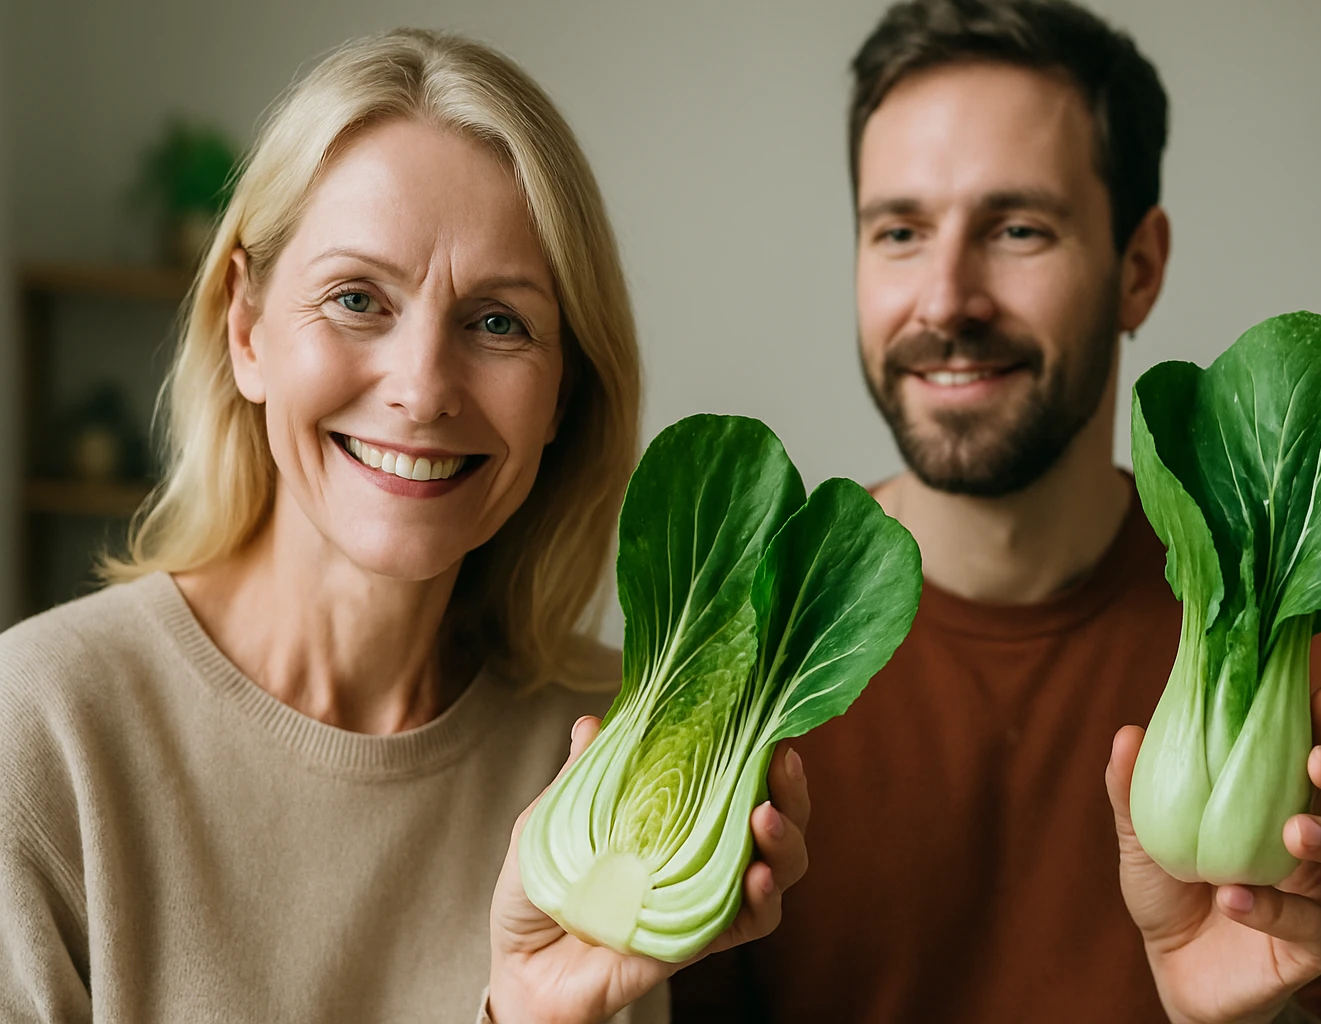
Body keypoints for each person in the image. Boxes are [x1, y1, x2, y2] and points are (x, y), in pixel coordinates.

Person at [0, 29, 811, 1024]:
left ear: (563, 394)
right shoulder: (39, 732)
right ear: (244, 328)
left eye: (499, 322)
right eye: (356, 299)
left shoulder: (612, 750)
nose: (422, 390)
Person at [671, 1, 1321, 1021]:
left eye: (1017, 229)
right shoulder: (748, 637)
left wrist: (1245, 1018)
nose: (947, 298)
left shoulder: (1318, 653)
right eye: (899, 230)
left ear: (1139, 267)